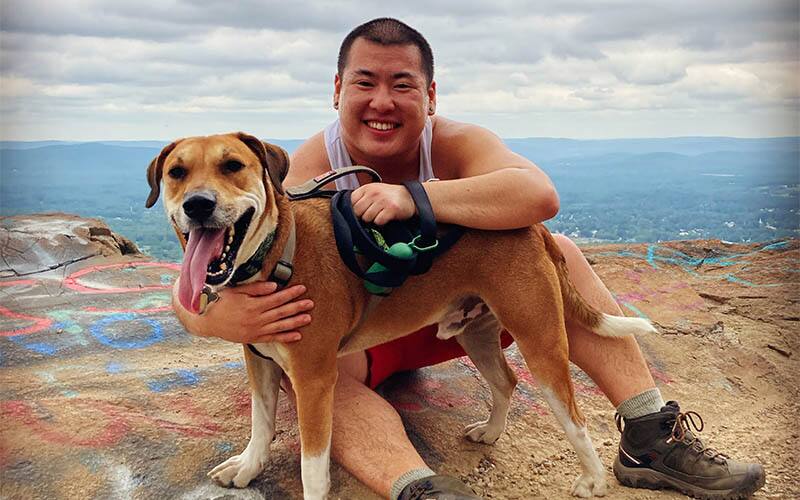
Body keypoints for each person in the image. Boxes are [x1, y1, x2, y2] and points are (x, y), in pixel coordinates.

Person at [175, 18, 765, 500]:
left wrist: (415, 196)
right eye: (364, 82)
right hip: (361, 333)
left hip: (455, 306)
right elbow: (216, 272)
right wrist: (215, 318)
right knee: (303, 367)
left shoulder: (455, 141)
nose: (383, 100)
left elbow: (540, 197)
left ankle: (648, 434)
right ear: (337, 90)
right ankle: (420, 488)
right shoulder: (301, 174)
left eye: (403, 83)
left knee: (555, 250)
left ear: (429, 95)